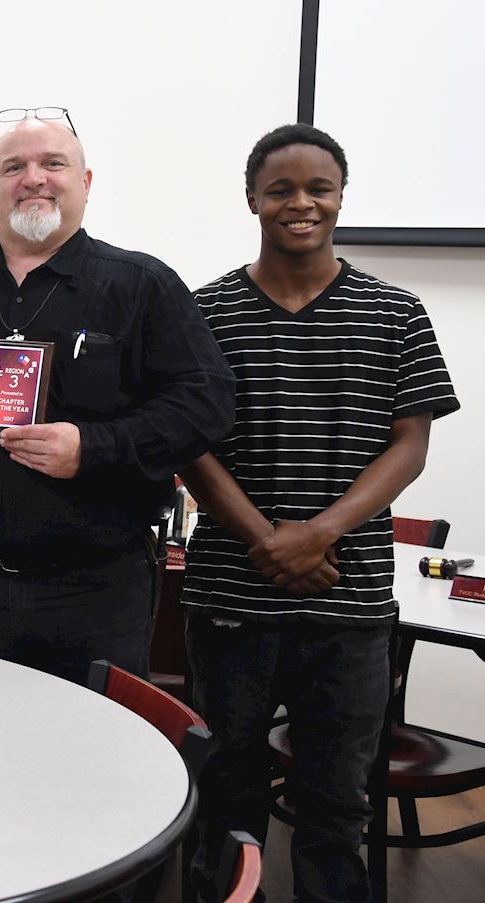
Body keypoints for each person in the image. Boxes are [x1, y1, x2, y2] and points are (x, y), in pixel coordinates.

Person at [181, 124, 459, 903]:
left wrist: (317, 533)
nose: (300, 204)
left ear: (341, 197)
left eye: (318, 189)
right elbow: (191, 445)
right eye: (281, 190)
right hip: (231, 598)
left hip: (351, 601)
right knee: (223, 797)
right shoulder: (204, 312)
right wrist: (267, 538)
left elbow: (411, 447)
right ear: (252, 200)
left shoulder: (396, 312)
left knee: (337, 805)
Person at [0, 108, 235, 684]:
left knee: (90, 764)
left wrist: (95, 446)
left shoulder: (141, 286)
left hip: (94, 593)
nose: (34, 178)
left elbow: (206, 405)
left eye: (54, 163)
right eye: (14, 166)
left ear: (86, 182)